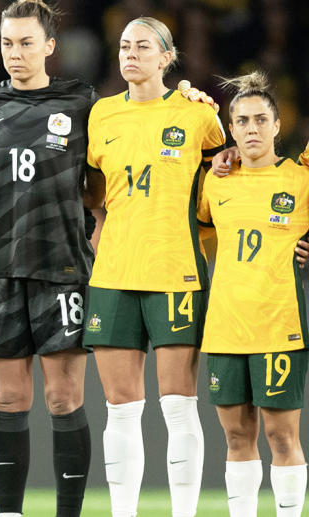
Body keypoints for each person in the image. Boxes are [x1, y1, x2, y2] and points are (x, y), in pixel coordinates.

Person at [84, 16, 226, 517]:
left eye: (143, 46)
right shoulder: (100, 114)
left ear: (167, 57)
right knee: (120, 410)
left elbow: (225, 182)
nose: (130, 54)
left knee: (178, 407)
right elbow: (92, 189)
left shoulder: (197, 115)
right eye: (124, 45)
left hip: (175, 270)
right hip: (113, 273)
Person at [0, 2, 101, 516]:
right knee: (7, 402)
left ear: (49, 45)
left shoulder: (83, 100)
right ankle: (9, 513)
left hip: (62, 266)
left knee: (64, 400)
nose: (15, 54)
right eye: (7, 43)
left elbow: (111, 164)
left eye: (26, 43)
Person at [197, 71, 307, 517]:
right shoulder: (215, 180)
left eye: (261, 119)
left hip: (279, 324)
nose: (252, 129)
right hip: (224, 327)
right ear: (231, 127)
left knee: (282, 437)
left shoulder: (300, 179)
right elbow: (203, 241)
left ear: (278, 125)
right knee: (237, 438)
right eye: (241, 121)